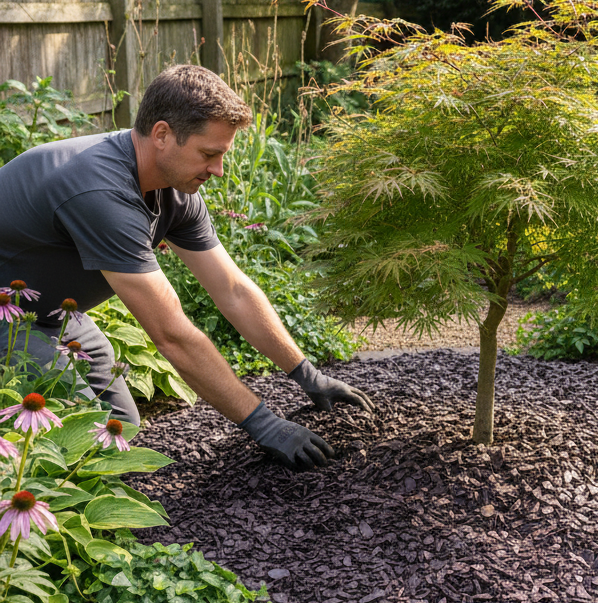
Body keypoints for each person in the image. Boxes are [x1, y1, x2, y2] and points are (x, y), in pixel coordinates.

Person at [0, 63, 372, 469]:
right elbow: (171, 334)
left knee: (118, 428)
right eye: (209, 154)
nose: (217, 170)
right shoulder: (99, 190)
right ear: (161, 135)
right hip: (7, 317)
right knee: (83, 439)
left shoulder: (175, 192)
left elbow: (233, 290)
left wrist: (307, 375)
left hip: (52, 314)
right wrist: (265, 425)